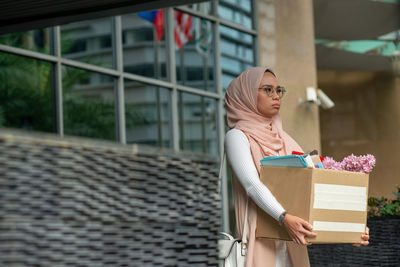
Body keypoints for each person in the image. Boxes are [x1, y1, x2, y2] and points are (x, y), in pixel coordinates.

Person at [224, 67, 370, 267]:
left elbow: (311, 191)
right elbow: (251, 184)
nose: (276, 96)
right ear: (247, 95)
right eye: (267, 90)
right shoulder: (237, 136)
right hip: (259, 244)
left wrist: (349, 230)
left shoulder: (285, 139)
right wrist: (283, 218)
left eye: (278, 90)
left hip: (292, 245)